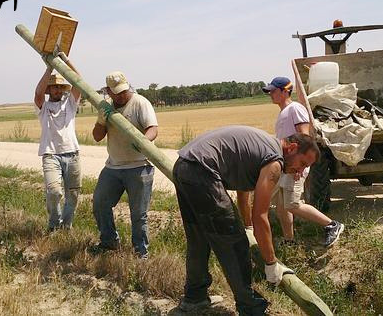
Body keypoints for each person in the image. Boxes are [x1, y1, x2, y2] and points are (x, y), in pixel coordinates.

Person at [173, 125, 335, 315]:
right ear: (291, 148)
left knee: (198, 239)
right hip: (202, 171)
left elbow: (244, 193)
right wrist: (271, 263)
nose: (300, 171)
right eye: (302, 163)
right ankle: (250, 308)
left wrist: (246, 224)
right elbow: (261, 216)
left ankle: (195, 298)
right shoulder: (275, 162)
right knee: (235, 242)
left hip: (184, 166)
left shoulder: (262, 149)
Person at [238, 77, 344, 247]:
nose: (270, 94)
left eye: (273, 91)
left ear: (285, 91)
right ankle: (289, 240)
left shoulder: (295, 108)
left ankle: (332, 225)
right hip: (288, 167)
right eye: (269, 91)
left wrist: (299, 169)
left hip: (295, 166)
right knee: (282, 207)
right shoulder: (284, 112)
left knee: (292, 204)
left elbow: (305, 138)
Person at [91, 71, 158, 258]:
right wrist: (101, 121)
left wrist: (143, 141)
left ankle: (140, 254)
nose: (121, 95)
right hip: (113, 167)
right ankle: (109, 242)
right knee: (99, 203)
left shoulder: (140, 102)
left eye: (123, 91)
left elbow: (153, 129)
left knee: (138, 214)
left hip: (139, 166)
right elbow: (97, 137)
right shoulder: (106, 108)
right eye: (116, 93)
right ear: (108, 92)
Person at [34, 64, 82, 232]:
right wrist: (49, 68)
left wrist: (65, 61)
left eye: (60, 87)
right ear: (49, 89)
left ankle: (66, 227)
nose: (58, 90)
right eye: (54, 87)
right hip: (51, 154)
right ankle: (54, 224)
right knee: (54, 192)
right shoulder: (44, 107)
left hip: (72, 154)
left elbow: (79, 81)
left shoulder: (70, 103)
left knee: (73, 195)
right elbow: (38, 94)